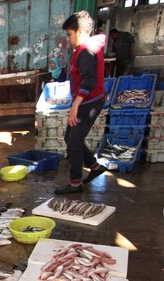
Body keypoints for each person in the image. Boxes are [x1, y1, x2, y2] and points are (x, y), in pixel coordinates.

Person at [55, 11, 109, 195]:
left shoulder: (86, 51)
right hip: (89, 100)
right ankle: (94, 167)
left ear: (79, 32)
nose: (68, 39)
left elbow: (89, 80)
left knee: (74, 141)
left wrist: (75, 105)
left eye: (69, 34)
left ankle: (75, 183)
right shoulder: (84, 49)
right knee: (69, 138)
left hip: (89, 102)